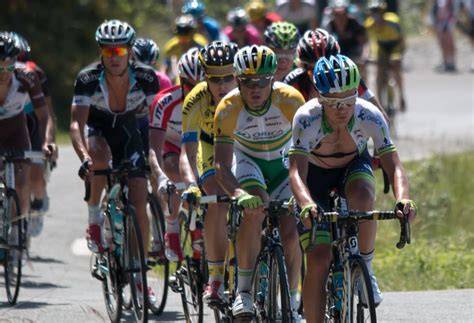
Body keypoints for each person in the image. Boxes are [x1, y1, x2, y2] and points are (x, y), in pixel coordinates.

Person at [288, 54, 417, 323]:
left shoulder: (369, 115)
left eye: (348, 99)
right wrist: (307, 204)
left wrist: (404, 199)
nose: (342, 108)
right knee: (319, 259)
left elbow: (394, 165)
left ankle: (366, 269)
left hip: (352, 167)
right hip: (314, 179)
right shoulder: (305, 118)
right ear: (319, 97)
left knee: (364, 196)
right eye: (333, 102)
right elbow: (296, 173)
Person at [69, 19, 159, 300]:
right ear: (101, 53)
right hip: (97, 129)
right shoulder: (87, 79)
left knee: (139, 199)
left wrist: (156, 159)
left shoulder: (145, 77)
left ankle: (139, 273)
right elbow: (75, 125)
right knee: (98, 156)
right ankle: (95, 218)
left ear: (130, 52)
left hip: (128, 130)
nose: (114, 58)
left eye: (119, 52)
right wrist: (83, 158)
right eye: (108, 52)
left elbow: (158, 121)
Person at [214, 45, 305, 321]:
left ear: (273, 79)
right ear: (238, 80)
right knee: (255, 210)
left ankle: (291, 300)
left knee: (290, 234)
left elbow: (307, 150)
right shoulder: (228, 108)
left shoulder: (291, 100)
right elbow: (220, 165)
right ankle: (243, 292)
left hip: (282, 164)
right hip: (248, 163)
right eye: (249, 82)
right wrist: (239, 193)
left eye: (264, 81)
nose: (257, 89)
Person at [179, 41, 239, 304]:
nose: (223, 85)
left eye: (228, 77)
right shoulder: (195, 99)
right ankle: (215, 277)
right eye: (215, 79)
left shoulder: (247, 92)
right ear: (204, 77)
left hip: (240, 145)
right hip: (209, 146)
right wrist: (191, 184)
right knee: (216, 198)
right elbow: (187, 151)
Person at [148, 47, 204, 261]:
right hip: (173, 145)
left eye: (200, 86)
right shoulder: (165, 101)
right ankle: (171, 228)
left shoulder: (217, 98)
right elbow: (154, 148)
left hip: (201, 147)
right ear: (181, 79)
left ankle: (201, 231)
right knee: (172, 169)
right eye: (189, 85)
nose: (194, 91)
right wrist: (160, 177)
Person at [0, 32, 52, 244]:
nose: (4, 73)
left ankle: (17, 229)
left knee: (23, 184)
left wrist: (49, 141)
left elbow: (44, 115)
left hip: (16, 129)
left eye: (9, 67)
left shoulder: (28, 76)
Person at [284, 28, 387, 123]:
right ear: (302, 66)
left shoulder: (346, 76)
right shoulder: (293, 82)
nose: (321, 75)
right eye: (313, 70)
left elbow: (379, 113)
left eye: (328, 70)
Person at [364, 0, 407, 112]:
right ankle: (379, 104)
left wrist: (399, 56)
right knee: (378, 72)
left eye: (378, 12)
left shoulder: (392, 21)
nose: (375, 16)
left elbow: (402, 41)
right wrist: (367, 56)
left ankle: (402, 97)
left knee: (396, 68)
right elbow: (368, 42)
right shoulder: (369, 25)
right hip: (381, 46)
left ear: (383, 13)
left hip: (394, 45)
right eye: (373, 13)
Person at [322, 0, 368, 80]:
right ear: (332, 14)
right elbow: (324, 46)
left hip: (354, 53)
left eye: (343, 14)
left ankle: (363, 88)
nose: (340, 18)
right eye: (336, 15)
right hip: (336, 54)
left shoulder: (354, 24)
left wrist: (364, 57)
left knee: (360, 70)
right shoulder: (328, 26)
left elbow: (364, 43)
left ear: (347, 14)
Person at [163, 14, 207, 81]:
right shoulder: (170, 47)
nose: (183, 34)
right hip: (180, 75)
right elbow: (165, 66)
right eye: (180, 30)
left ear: (193, 31)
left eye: (186, 31)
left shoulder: (201, 44)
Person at [432, 0, 460, 72]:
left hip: (447, 20)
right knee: (442, 42)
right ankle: (445, 62)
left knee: (449, 42)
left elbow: (451, 6)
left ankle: (452, 62)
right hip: (439, 20)